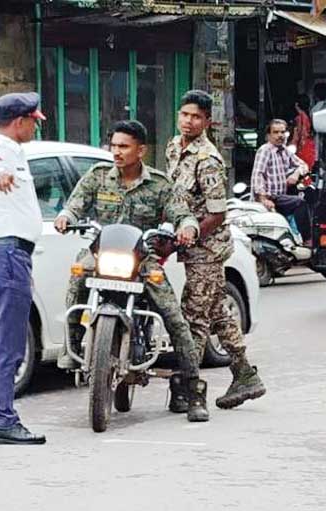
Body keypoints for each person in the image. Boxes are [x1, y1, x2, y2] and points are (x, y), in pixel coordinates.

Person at [53, 120, 209, 422]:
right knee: (77, 275)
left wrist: (188, 227)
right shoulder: (98, 176)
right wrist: (65, 217)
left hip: (142, 257)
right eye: (113, 146)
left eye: (124, 146)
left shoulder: (159, 184)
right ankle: (71, 344)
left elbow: (182, 213)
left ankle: (193, 388)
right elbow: (74, 205)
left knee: (174, 317)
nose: (117, 152)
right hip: (101, 253)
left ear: (141, 150)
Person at [166, 90, 267, 410]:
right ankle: (245, 374)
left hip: (207, 250)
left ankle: (188, 387)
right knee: (218, 312)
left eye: (196, 117)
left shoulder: (207, 159)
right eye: (185, 115)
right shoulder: (173, 147)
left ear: (207, 121)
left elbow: (217, 214)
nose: (188, 121)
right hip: (187, 242)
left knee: (194, 317)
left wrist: (189, 236)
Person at [0, 92, 47, 446]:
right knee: (9, 341)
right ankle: (3, 419)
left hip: (5, 253)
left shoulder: (13, 151)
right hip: (9, 254)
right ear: (19, 122)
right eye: (33, 121)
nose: (35, 127)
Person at [252, 119, 312, 243]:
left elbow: (304, 165)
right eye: (276, 132)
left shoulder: (285, 151)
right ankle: (307, 239)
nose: (280, 135)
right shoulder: (265, 150)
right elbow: (258, 174)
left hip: (280, 196)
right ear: (269, 135)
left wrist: (296, 174)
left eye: (282, 132)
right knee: (299, 203)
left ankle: (297, 240)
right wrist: (263, 198)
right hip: (269, 197)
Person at [292, 95, 317, 170]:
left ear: (296, 104)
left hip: (303, 146)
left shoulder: (299, 118)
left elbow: (299, 134)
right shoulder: (308, 116)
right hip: (309, 145)